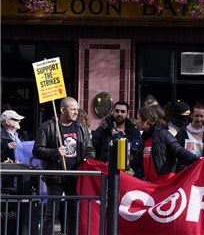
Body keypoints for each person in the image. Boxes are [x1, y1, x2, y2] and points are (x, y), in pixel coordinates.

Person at [32, 97, 95, 235]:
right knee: (52, 212)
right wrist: (55, 152)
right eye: (72, 109)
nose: (76, 112)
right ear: (62, 110)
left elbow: (90, 149)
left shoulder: (81, 128)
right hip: (55, 176)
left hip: (75, 175)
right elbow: (37, 150)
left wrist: (87, 160)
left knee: (74, 211)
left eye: (77, 109)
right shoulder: (47, 126)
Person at [131, 106, 199, 183]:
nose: (136, 121)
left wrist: (196, 160)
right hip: (150, 185)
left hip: (166, 185)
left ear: (146, 121)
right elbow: (138, 162)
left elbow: (178, 150)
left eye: (138, 118)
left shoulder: (163, 134)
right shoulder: (144, 139)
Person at [91, 100, 142, 175]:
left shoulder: (134, 131)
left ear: (127, 113)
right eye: (117, 111)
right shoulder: (103, 129)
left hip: (129, 173)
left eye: (122, 111)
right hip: (106, 172)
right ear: (113, 112)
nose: (119, 114)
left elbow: (137, 153)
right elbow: (93, 149)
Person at [175, 101, 204, 171]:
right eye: (196, 116)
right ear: (191, 115)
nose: (199, 119)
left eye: (201, 116)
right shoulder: (182, 133)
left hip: (202, 173)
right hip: (186, 173)